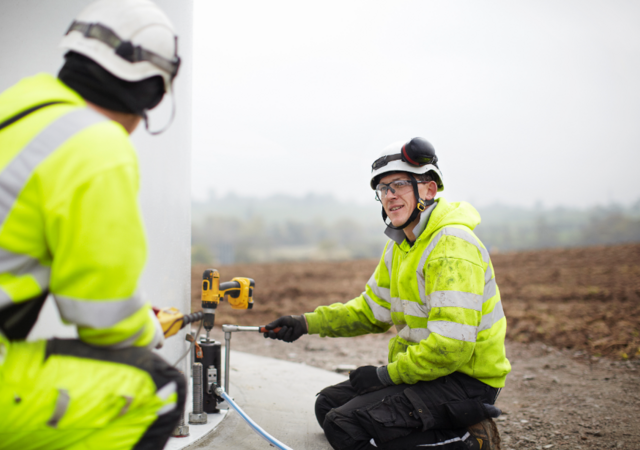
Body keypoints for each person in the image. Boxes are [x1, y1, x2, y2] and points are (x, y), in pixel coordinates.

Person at [0, 1, 185, 449]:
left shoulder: (18, 103)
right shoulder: (97, 146)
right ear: (150, 94)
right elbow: (102, 318)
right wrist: (150, 327)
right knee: (158, 386)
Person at [264, 137, 511, 450]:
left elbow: (451, 348)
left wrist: (383, 376)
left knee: (344, 425)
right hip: (429, 373)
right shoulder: (400, 247)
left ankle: (470, 439)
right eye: (383, 189)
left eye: (399, 185)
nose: (389, 196)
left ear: (430, 190)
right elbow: (369, 311)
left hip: (465, 382)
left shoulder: (452, 246)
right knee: (327, 406)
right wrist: (305, 323)